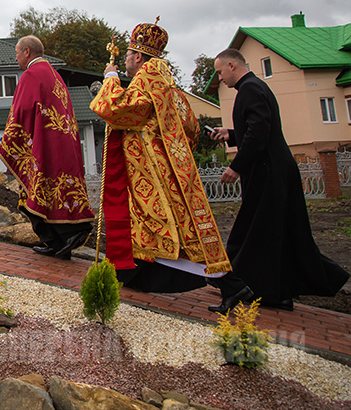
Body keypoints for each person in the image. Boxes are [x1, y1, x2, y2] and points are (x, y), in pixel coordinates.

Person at [90, 20, 251, 314]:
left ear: (138, 56)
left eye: (127, 54)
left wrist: (110, 79)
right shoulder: (170, 85)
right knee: (169, 231)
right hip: (169, 172)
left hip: (152, 177)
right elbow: (190, 128)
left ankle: (232, 285)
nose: (125, 60)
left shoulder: (145, 83)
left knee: (170, 234)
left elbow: (113, 109)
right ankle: (131, 277)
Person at [212, 49, 349, 310]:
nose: (220, 79)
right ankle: (277, 294)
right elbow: (258, 130)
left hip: (268, 171)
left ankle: (237, 285)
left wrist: (237, 167)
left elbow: (260, 133)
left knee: (253, 232)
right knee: (276, 232)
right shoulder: (254, 87)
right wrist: (230, 134)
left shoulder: (250, 89)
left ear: (232, 65)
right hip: (273, 168)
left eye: (220, 72)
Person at [0, 35, 94, 260]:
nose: (16, 58)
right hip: (62, 143)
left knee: (38, 189)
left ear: (27, 53)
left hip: (44, 145)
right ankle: (59, 242)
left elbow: (21, 111)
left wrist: (10, 141)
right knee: (59, 189)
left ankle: (60, 237)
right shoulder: (54, 74)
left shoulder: (31, 75)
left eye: (17, 52)